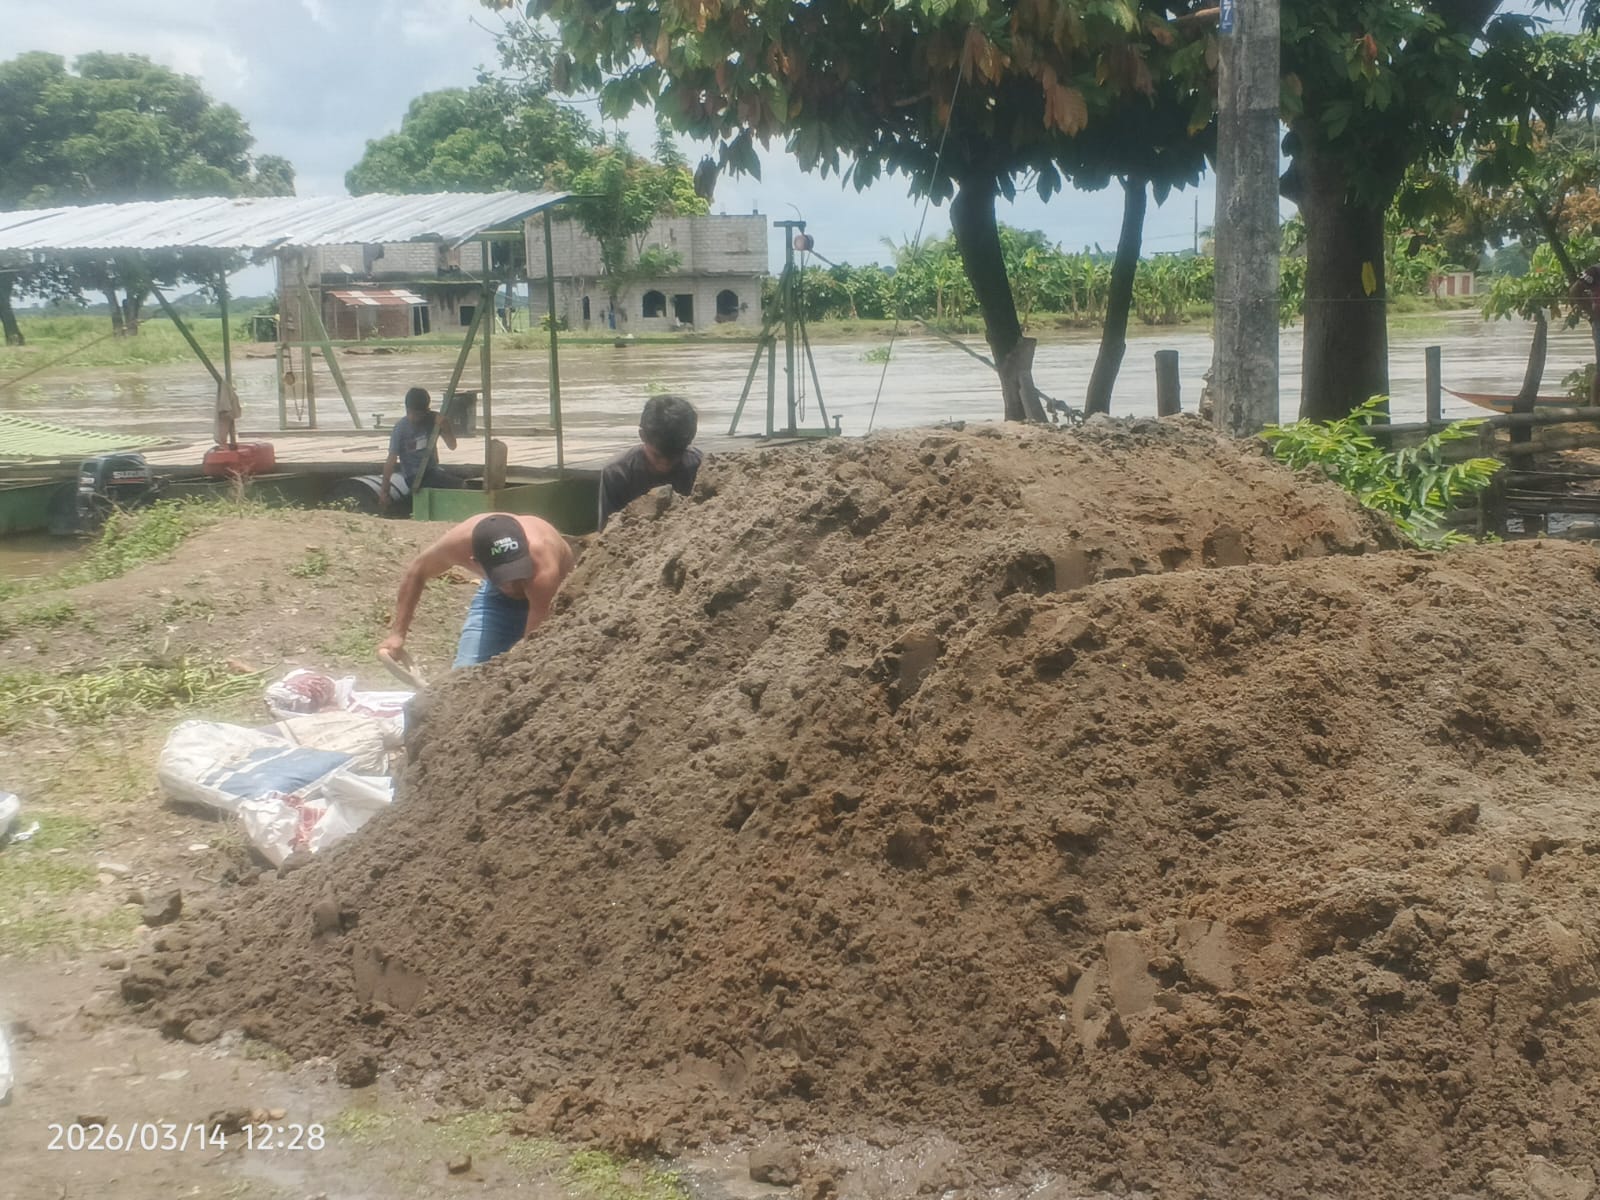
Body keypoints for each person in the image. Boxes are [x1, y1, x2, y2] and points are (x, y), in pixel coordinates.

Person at [379, 512, 575, 669]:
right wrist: (397, 635)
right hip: (498, 600)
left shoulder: (542, 561)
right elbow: (417, 572)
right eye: (505, 578)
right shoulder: (457, 545)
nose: (514, 586)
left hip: (553, 598)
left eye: (518, 573)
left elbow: (533, 647)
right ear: (475, 563)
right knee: (464, 678)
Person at [597, 394, 702, 530]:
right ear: (642, 436)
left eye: (675, 457)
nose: (665, 465)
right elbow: (608, 532)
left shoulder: (700, 467)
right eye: (657, 456)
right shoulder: (617, 473)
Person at [381, 387, 458, 510]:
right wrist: (384, 491)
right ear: (407, 410)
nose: (413, 418)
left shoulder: (433, 421)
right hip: (414, 476)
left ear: (426, 411)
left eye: (418, 415)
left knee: (459, 485)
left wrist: (445, 427)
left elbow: (452, 446)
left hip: (432, 471)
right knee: (459, 485)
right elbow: (391, 460)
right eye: (410, 413)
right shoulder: (400, 428)